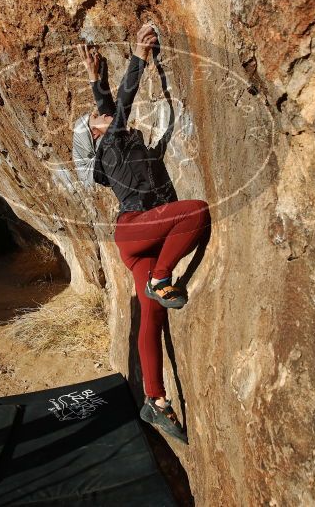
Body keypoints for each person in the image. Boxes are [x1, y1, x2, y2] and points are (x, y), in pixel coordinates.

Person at [73, 23, 211, 443]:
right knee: (196, 213)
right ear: (96, 134)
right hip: (136, 228)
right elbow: (123, 103)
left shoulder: (111, 141)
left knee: (151, 320)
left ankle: (155, 400)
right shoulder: (112, 143)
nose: (101, 113)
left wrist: (96, 78)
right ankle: (159, 278)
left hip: (137, 242)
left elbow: (109, 105)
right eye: (95, 118)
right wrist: (138, 56)